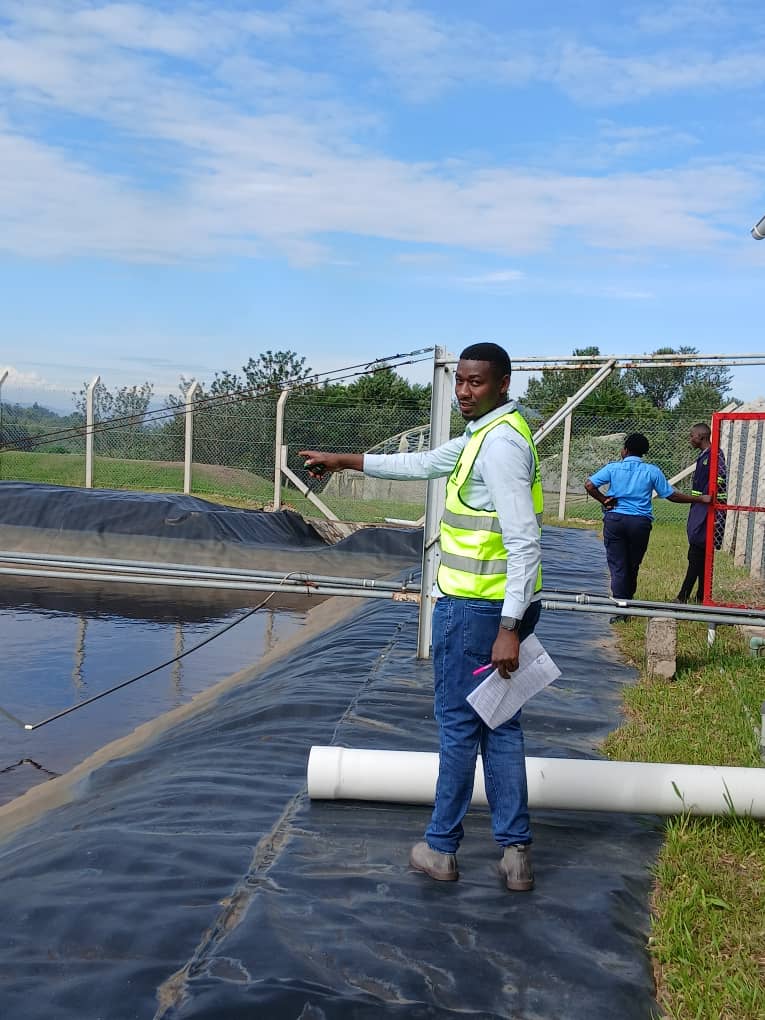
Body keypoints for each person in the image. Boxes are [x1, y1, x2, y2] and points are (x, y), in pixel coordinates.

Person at [299, 342, 543, 892]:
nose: (464, 392)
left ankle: (441, 847)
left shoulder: (499, 446)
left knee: (459, 728)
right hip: (496, 610)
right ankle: (515, 855)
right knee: (500, 726)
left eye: (476, 382)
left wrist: (508, 629)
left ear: (503, 383)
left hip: (479, 613)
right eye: (460, 381)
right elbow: (422, 463)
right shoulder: (487, 435)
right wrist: (344, 460)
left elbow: (524, 543)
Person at [584, 433, 711, 622]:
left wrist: (604, 500)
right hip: (640, 523)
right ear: (644, 452)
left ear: (625, 450)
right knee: (633, 564)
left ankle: (621, 609)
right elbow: (671, 495)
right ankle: (627, 601)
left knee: (618, 565)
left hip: (615, 520)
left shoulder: (613, 468)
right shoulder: (652, 471)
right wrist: (700, 499)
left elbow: (589, 485)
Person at [676, 423, 727, 604]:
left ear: (701, 436)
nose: (690, 439)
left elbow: (719, 479)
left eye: (692, 435)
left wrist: (711, 499)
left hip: (708, 510)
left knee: (697, 553)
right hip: (700, 507)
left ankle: (683, 596)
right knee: (699, 553)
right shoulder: (704, 455)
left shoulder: (715, 455)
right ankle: (701, 596)